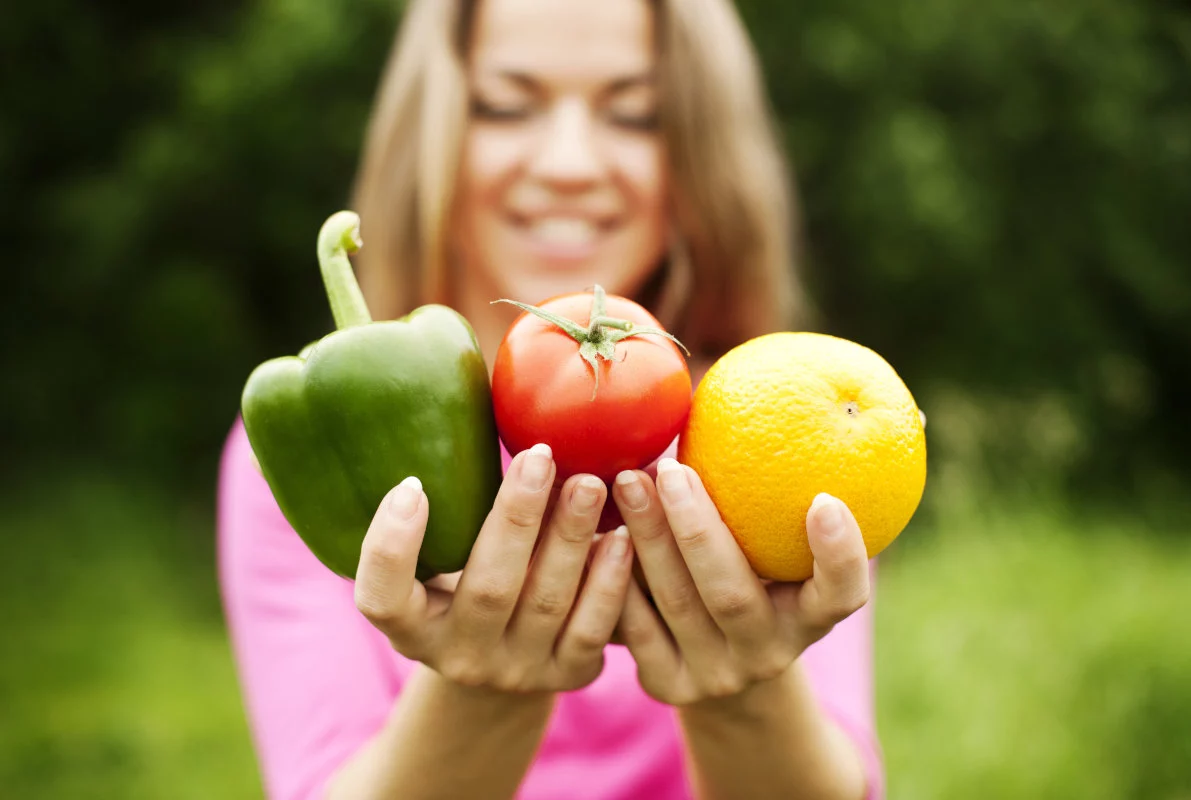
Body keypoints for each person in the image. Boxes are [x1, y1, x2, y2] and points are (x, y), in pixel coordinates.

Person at [217, 0, 885, 797]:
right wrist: (480, 699)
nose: (569, 162)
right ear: (431, 133)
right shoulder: (310, 436)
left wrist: (746, 694)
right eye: (505, 104)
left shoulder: (764, 420)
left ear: (700, 154)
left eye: (636, 114)